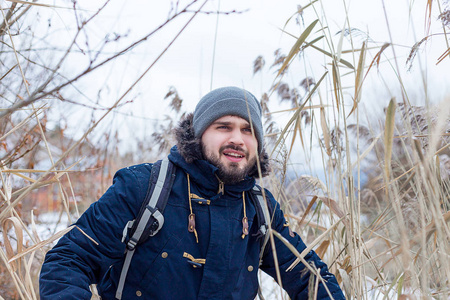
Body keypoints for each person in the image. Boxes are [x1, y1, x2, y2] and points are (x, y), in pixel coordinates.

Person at [40, 87, 345, 299]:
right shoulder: (144, 187)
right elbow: (69, 259)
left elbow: (311, 280)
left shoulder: (261, 208)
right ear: (199, 136)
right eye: (224, 127)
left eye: (248, 130)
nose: (237, 139)